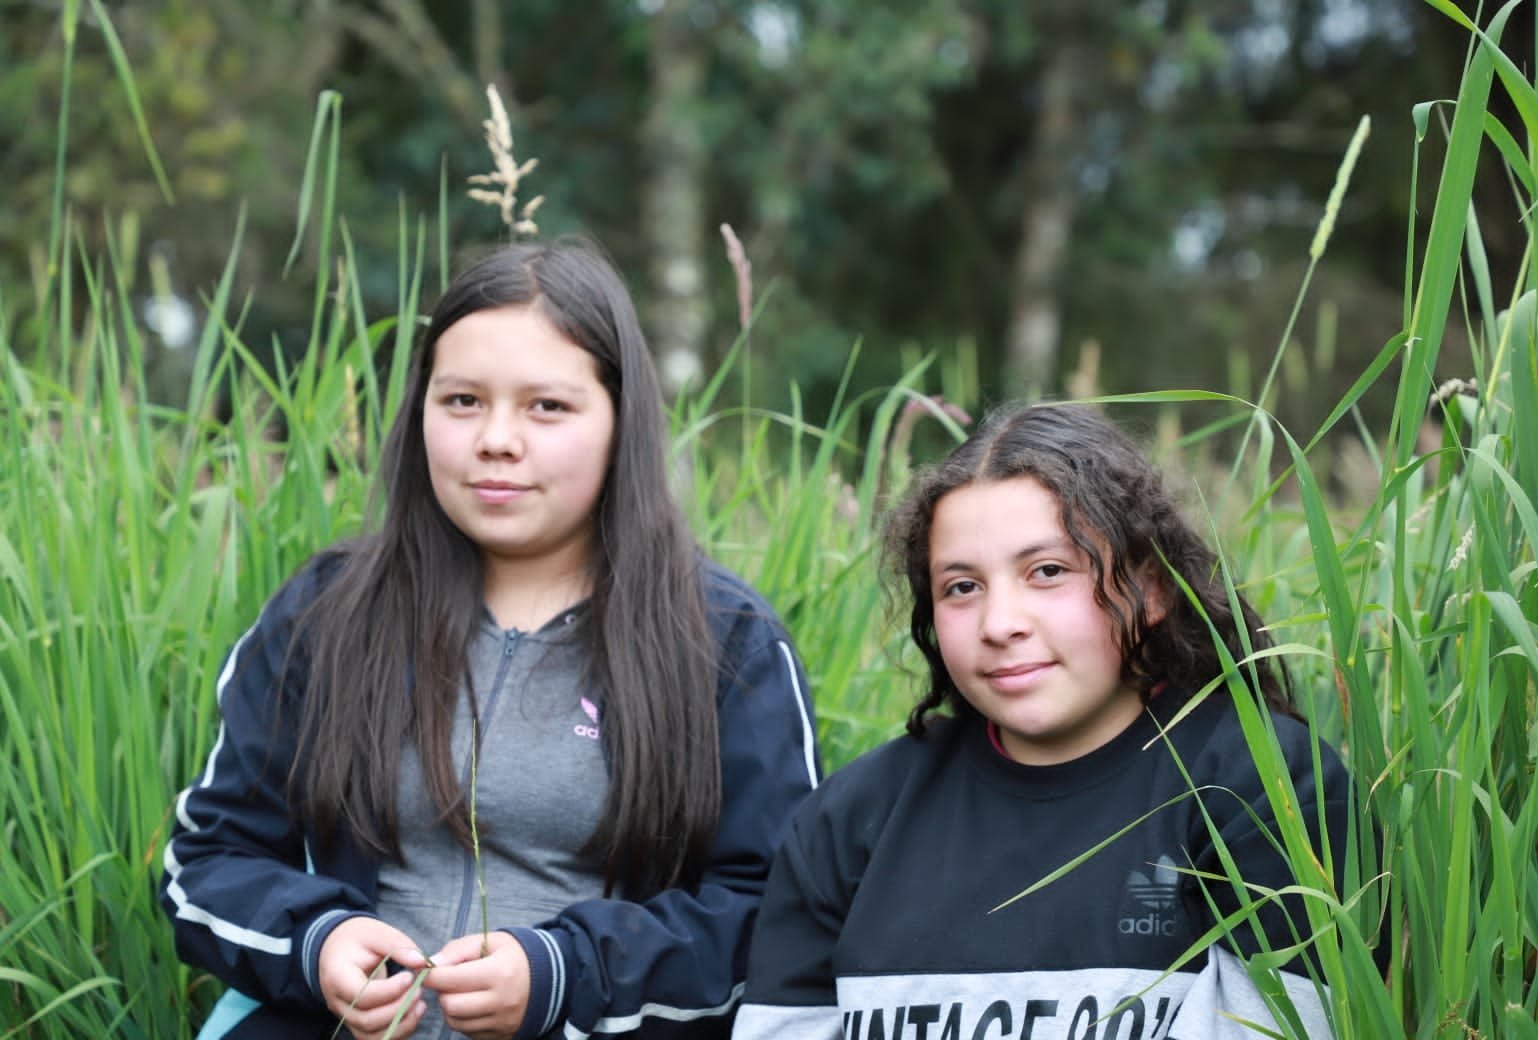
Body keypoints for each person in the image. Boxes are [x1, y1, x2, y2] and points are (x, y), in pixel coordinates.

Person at [160, 239, 821, 1040]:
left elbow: (773, 912)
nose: (496, 439)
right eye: (463, 400)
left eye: (548, 406)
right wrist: (316, 942)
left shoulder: (726, 643)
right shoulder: (325, 613)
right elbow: (209, 860)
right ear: (420, 412)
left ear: (621, 422)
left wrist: (559, 976)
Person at [733, 402, 1372, 1040]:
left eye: (1048, 572)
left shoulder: (1264, 787)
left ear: (1150, 589)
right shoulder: (846, 823)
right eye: (961, 587)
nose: (999, 623)